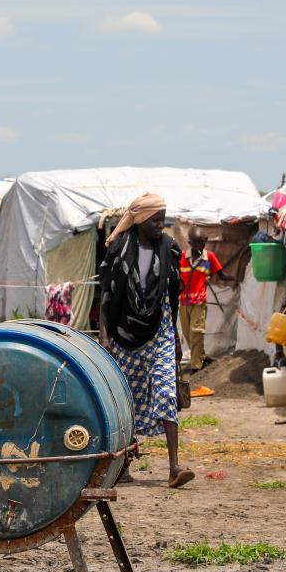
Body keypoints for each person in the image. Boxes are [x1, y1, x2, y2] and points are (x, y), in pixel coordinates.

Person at [96, 193, 192, 488]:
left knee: (166, 391)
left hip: (160, 328)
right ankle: (123, 467)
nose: (160, 226)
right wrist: (104, 333)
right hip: (125, 333)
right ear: (138, 220)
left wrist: (175, 335)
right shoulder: (119, 249)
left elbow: (172, 295)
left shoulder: (170, 249)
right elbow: (106, 294)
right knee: (127, 401)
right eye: (154, 220)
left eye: (163, 220)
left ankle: (174, 467)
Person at [178, 229, 223, 371]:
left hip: (199, 302)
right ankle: (202, 356)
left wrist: (235, 280)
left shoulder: (209, 257)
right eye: (196, 243)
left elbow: (220, 274)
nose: (200, 246)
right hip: (183, 303)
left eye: (202, 242)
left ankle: (196, 366)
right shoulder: (182, 257)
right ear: (190, 243)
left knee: (196, 332)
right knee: (188, 334)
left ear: (206, 241)